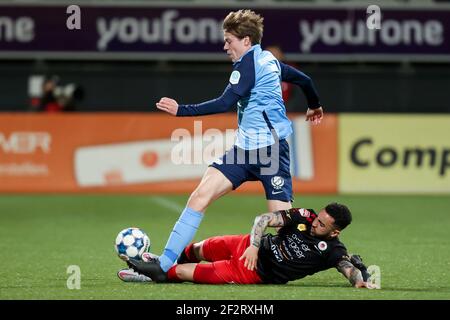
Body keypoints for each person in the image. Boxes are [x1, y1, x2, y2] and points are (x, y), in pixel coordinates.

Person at [153, 9, 324, 276]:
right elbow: (305, 80)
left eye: (229, 40)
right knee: (199, 196)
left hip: (271, 152)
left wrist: (181, 110)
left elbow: (225, 103)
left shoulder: (248, 65)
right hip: (244, 151)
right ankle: (163, 265)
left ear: (246, 41)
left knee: (284, 225)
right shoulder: (270, 60)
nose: (225, 46)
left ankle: (330, 254)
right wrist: (314, 105)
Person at [119, 203, 378, 289]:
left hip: (253, 272)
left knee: (184, 273)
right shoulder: (306, 215)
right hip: (247, 245)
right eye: (317, 218)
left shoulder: (333, 251)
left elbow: (347, 268)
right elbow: (263, 219)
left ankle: (152, 274)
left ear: (335, 232)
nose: (314, 224)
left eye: (322, 225)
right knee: (199, 248)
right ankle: (162, 262)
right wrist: (253, 245)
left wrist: (358, 280)